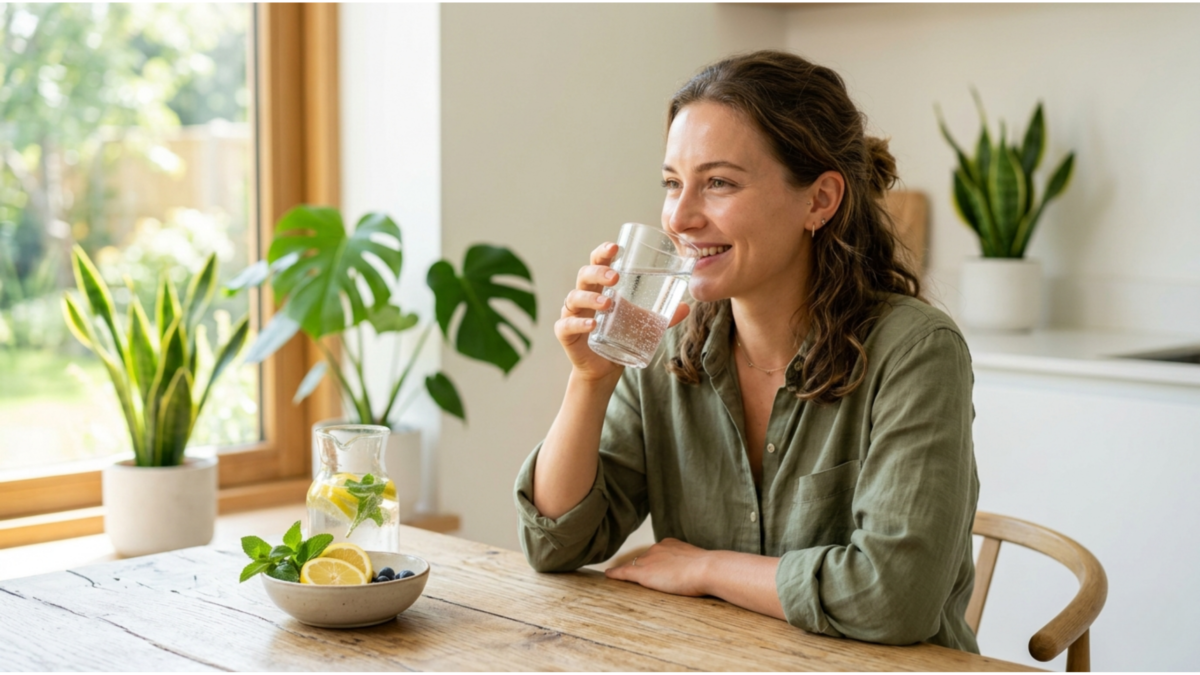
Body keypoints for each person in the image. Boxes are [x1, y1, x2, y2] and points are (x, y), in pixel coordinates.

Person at [513, 50, 980, 653]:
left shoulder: (916, 353)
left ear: (819, 200)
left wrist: (706, 567)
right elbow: (555, 544)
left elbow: (894, 600)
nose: (680, 217)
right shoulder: (664, 342)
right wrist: (590, 380)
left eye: (719, 183)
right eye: (672, 183)